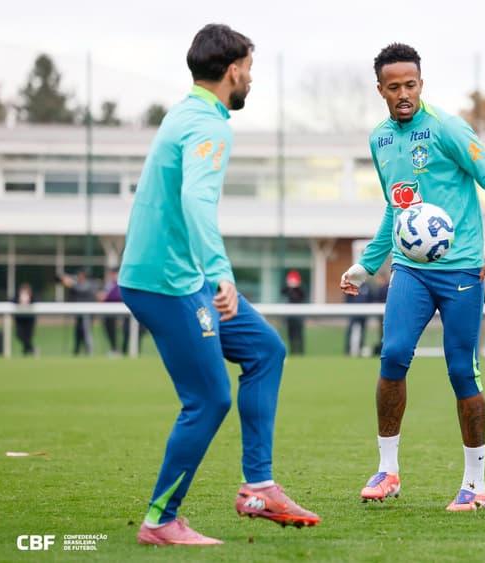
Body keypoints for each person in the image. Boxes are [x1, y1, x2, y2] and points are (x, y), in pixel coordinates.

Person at [118, 24, 319, 547]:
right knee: (207, 399)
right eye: (249, 69)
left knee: (264, 351)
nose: (251, 78)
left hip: (177, 278)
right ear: (233, 71)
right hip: (169, 283)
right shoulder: (210, 124)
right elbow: (195, 202)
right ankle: (161, 521)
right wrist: (220, 275)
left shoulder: (184, 113)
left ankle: (258, 488)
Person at [340, 43, 485, 511]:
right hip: (410, 270)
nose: (403, 93)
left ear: (422, 83)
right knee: (393, 355)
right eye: (394, 86)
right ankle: (387, 469)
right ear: (380, 89)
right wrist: (366, 264)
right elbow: (394, 209)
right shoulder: (379, 140)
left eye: (411, 84)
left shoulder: (447, 128)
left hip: (459, 270)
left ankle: (475, 484)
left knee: (462, 369)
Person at [58, 269, 97, 355]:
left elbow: (82, 289)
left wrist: (71, 284)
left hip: (88, 313)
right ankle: (77, 350)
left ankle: (89, 350)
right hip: (79, 313)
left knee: (86, 332)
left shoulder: (89, 284)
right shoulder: (78, 284)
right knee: (78, 332)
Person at [281, 270, 306, 355]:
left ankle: (300, 352)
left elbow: (301, 295)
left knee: (299, 335)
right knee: (290, 335)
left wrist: (295, 286)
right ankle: (292, 351)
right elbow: (282, 291)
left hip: (298, 317)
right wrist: (290, 286)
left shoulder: (300, 290)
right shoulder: (288, 290)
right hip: (290, 317)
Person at [344, 279, 372, 357]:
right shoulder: (352, 285)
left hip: (363, 313)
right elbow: (347, 298)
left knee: (362, 332)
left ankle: (360, 349)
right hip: (353, 313)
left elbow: (371, 298)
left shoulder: (367, 286)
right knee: (350, 331)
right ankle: (347, 351)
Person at [13, 283, 36, 356]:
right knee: (19, 335)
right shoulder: (16, 297)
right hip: (20, 320)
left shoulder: (32, 297)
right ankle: (31, 349)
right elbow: (12, 301)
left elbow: (36, 302)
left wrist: (29, 300)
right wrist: (19, 300)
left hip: (29, 320)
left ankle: (26, 351)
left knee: (28, 336)